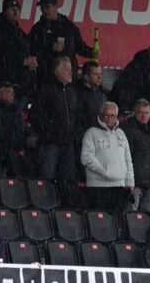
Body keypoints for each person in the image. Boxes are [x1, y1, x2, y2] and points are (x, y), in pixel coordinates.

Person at [32, 57, 79, 191]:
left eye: (71, 69)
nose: (71, 72)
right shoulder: (45, 90)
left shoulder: (72, 92)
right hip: (50, 143)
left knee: (68, 179)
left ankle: (66, 208)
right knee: (46, 178)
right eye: (67, 69)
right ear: (57, 71)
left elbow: (76, 115)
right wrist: (48, 132)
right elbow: (35, 115)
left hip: (68, 142)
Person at [80, 102, 135, 212]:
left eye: (113, 115)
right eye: (107, 115)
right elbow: (86, 157)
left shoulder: (121, 133)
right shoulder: (91, 133)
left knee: (116, 221)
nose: (110, 118)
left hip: (120, 187)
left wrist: (130, 181)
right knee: (100, 222)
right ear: (100, 115)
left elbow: (128, 159)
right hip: (98, 187)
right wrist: (105, 172)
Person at [29, 0, 92, 79]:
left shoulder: (69, 26)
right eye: (42, 8)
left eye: (47, 7)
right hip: (47, 77)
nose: (44, 10)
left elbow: (80, 47)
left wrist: (92, 53)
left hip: (68, 76)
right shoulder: (37, 29)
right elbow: (31, 49)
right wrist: (50, 47)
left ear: (56, 7)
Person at [121, 99, 150, 213]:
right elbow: (126, 156)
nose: (143, 116)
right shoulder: (129, 130)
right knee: (130, 213)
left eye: (146, 113)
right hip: (135, 181)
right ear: (135, 113)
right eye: (140, 113)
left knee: (147, 215)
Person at [0, 0, 36, 92]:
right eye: (12, 9)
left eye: (18, 9)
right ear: (5, 11)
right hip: (4, 83)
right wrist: (22, 61)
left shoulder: (17, 30)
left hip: (20, 82)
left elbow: (28, 47)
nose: (16, 12)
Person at [72, 61, 106, 137]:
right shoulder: (76, 94)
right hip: (85, 137)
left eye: (100, 74)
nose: (100, 77)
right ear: (86, 77)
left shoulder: (102, 93)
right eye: (96, 74)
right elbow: (77, 120)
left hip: (100, 136)